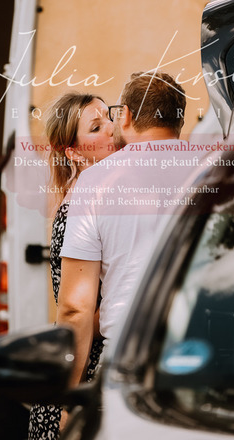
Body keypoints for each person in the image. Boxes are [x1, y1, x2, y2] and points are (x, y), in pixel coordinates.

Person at [57, 71, 193, 397]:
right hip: (208, 355)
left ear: (127, 115)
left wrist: (69, 397)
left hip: (130, 358)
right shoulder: (217, 169)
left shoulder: (96, 183)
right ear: (179, 119)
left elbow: (75, 307)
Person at [28, 92, 114, 440]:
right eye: (96, 127)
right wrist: (68, 399)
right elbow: (76, 312)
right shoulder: (77, 209)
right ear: (74, 153)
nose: (111, 128)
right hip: (81, 371)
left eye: (109, 117)